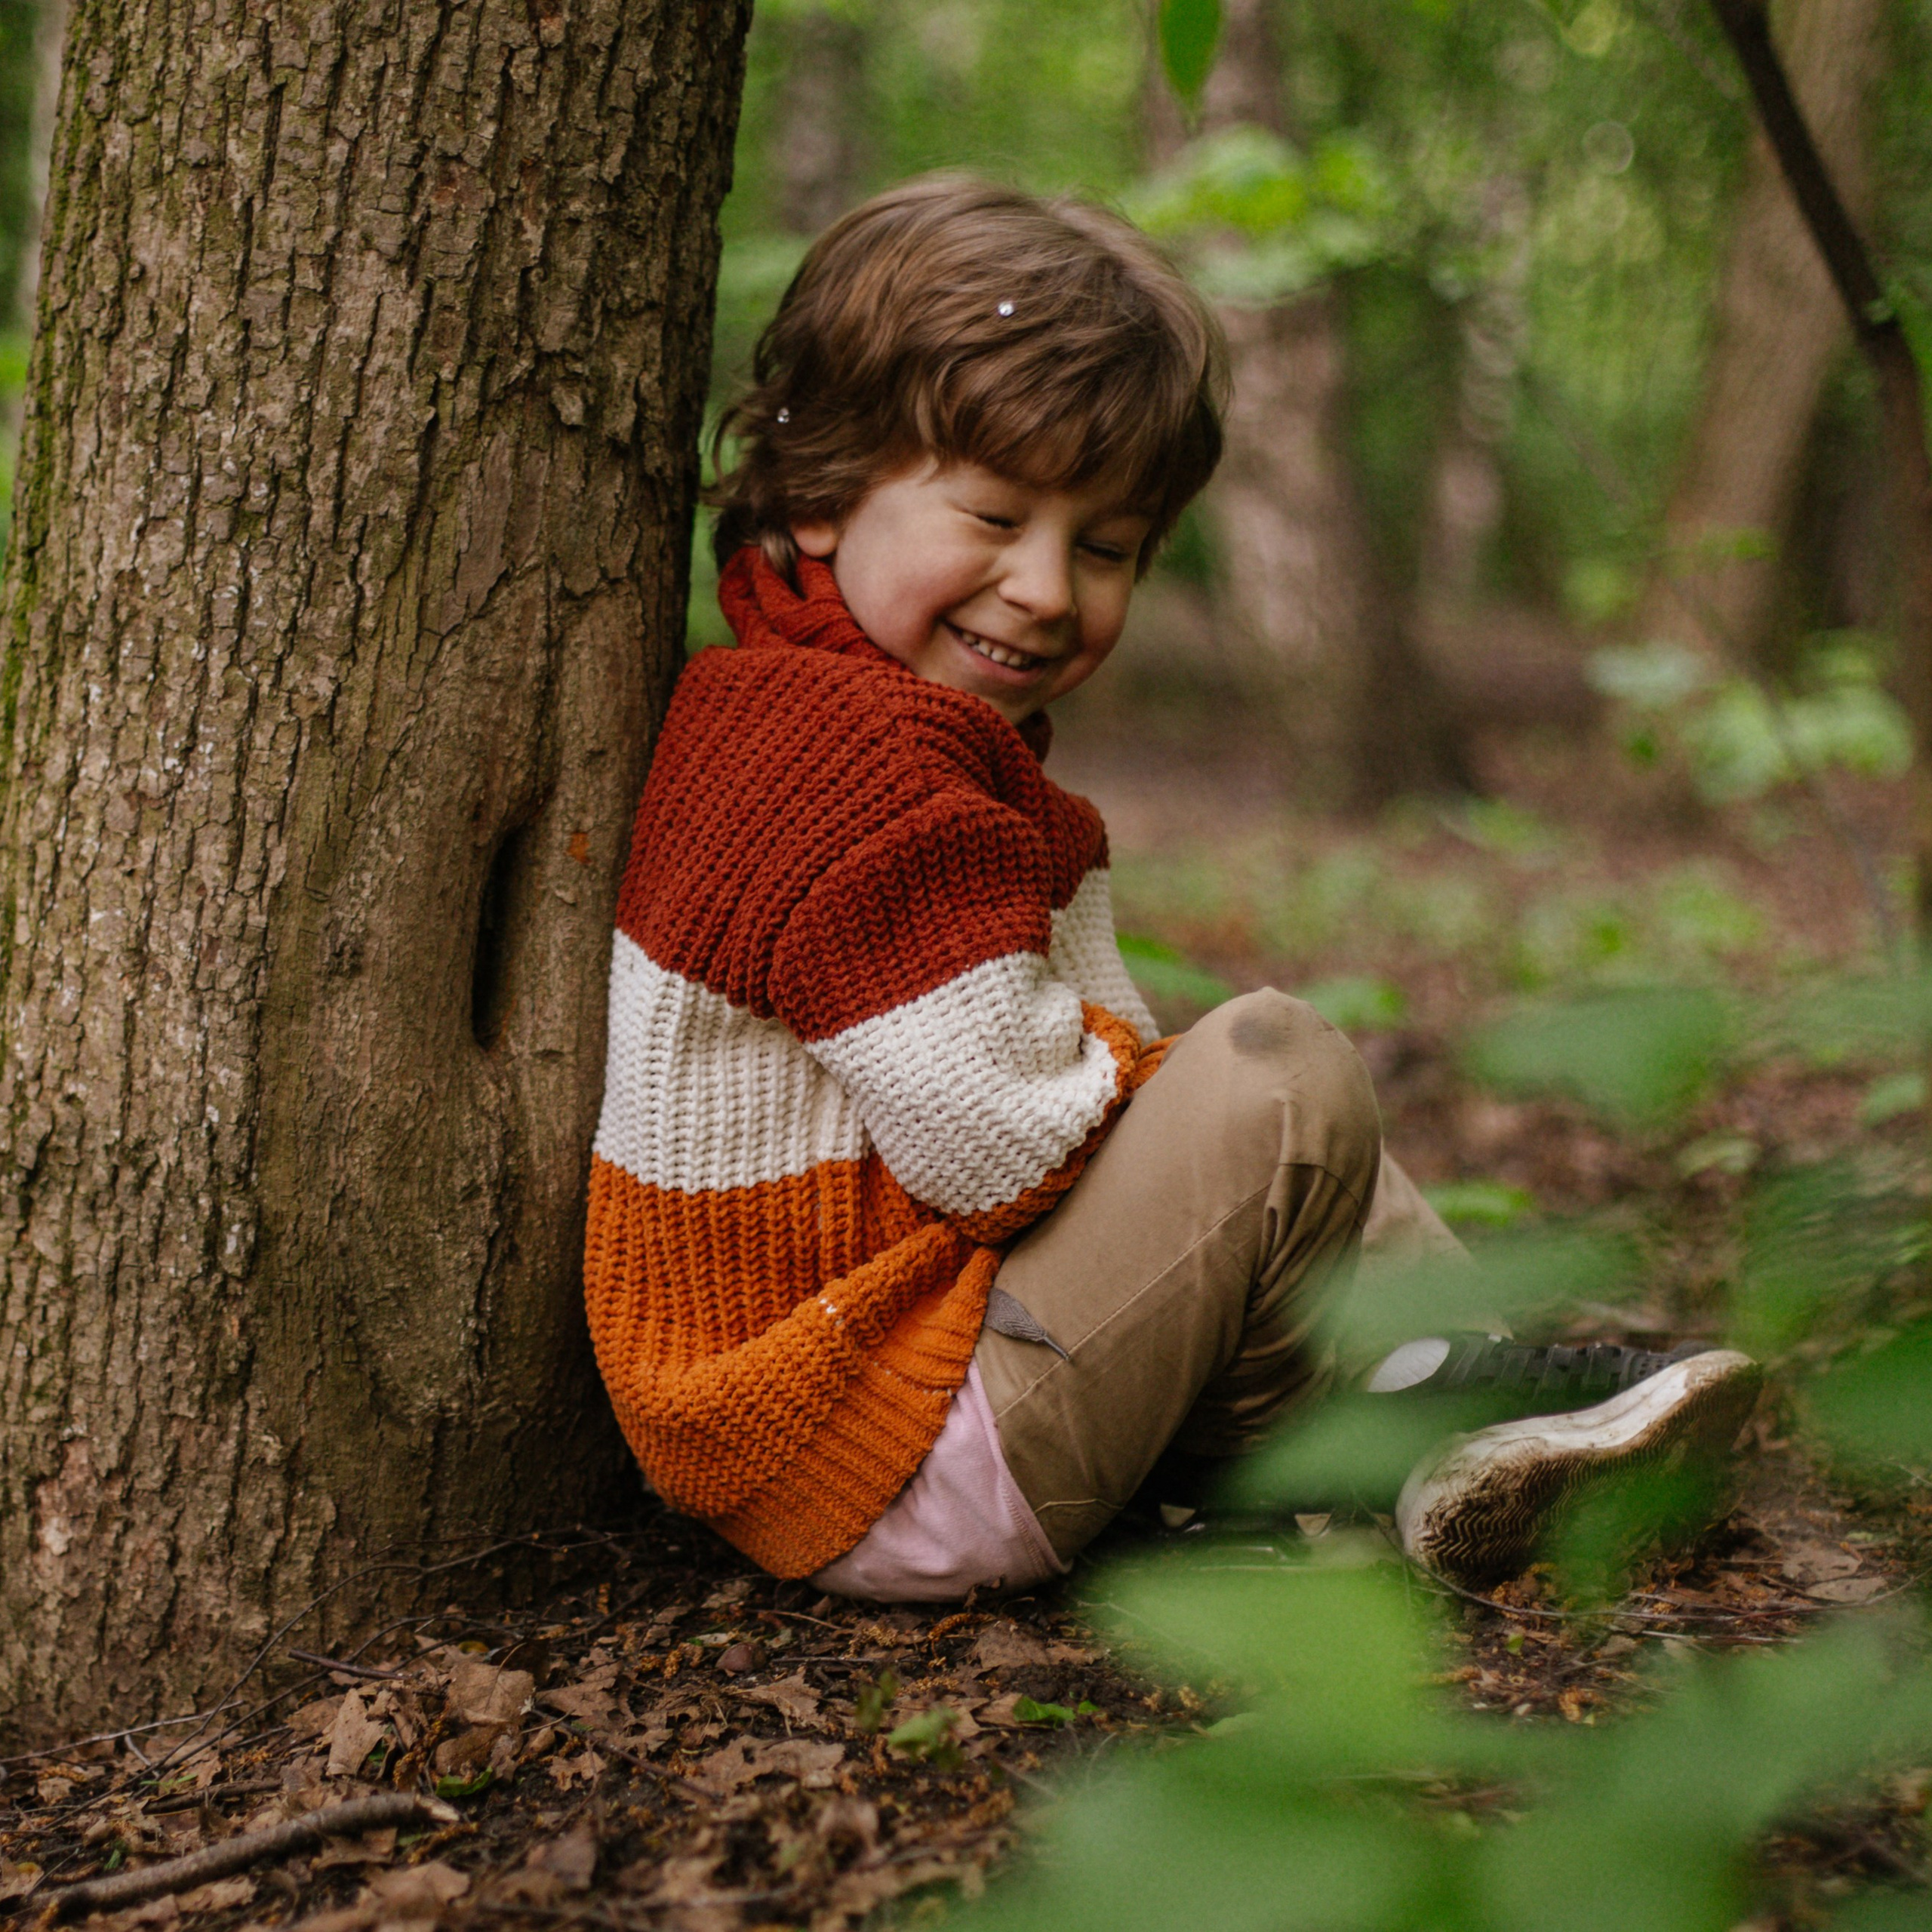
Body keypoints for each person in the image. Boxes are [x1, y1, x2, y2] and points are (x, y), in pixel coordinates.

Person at [582, 176, 1759, 1603]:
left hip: (887, 1411)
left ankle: (1455, 1414)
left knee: (1248, 1103)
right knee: (1275, 1071)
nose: (1045, 587)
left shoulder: (838, 722)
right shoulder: (849, 765)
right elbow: (1004, 1150)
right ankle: (1438, 1393)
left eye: (1106, 547)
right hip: (875, 1444)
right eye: (994, 515)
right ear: (823, 495)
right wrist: (1206, 1104)